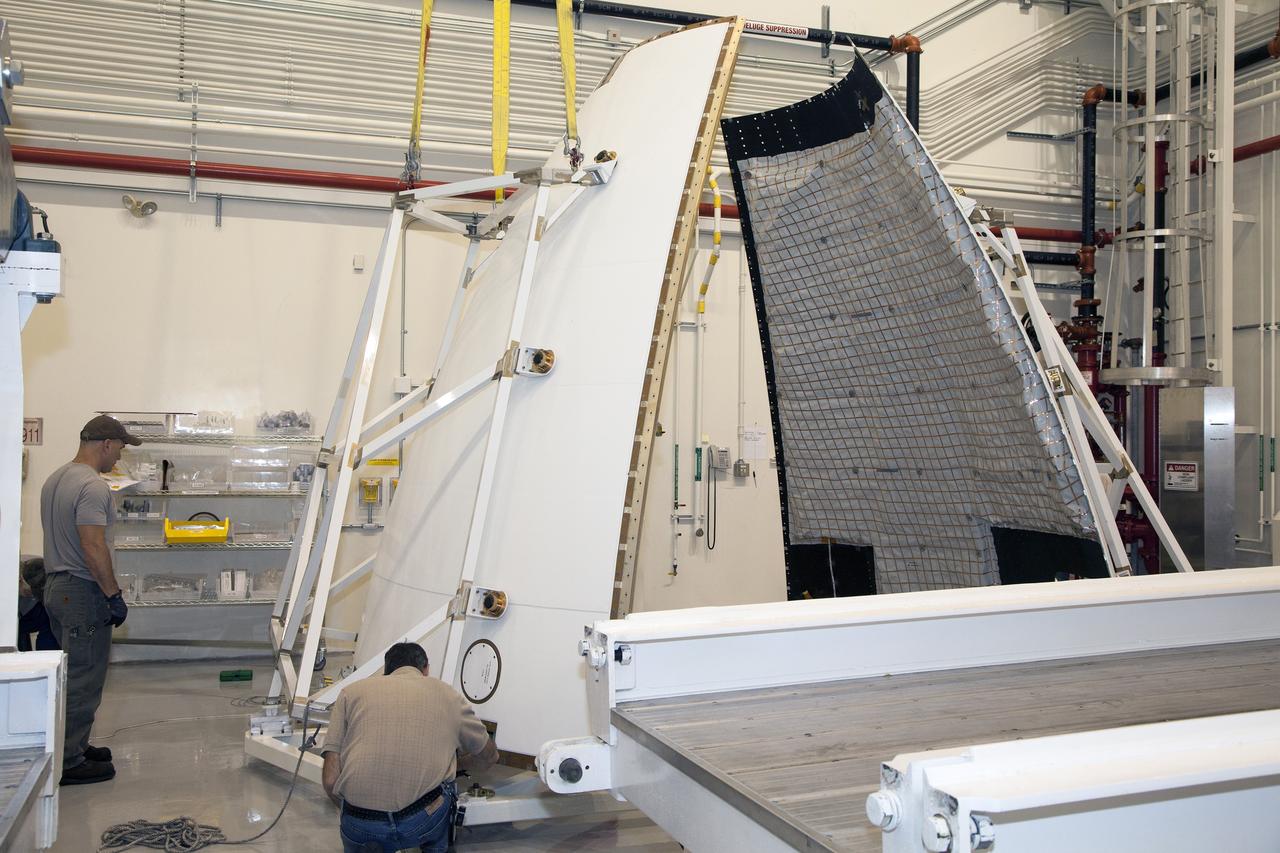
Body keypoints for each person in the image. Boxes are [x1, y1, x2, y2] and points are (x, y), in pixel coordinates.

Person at [321, 642, 498, 853]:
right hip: (420, 821)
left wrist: (354, 812)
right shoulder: (447, 695)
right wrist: (456, 764)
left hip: (360, 823)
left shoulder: (350, 693)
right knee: (447, 785)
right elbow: (489, 756)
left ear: (387, 671)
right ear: (426, 670)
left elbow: (331, 780)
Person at [41, 414, 139, 785]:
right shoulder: (93, 487)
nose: (120, 457)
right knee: (85, 678)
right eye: (121, 448)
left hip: (56, 588)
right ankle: (68, 762)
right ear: (106, 444)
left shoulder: (56, 479)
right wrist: (112, 594)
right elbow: (92, 546)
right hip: (82, 592)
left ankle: (74, 745)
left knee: (69, 677)